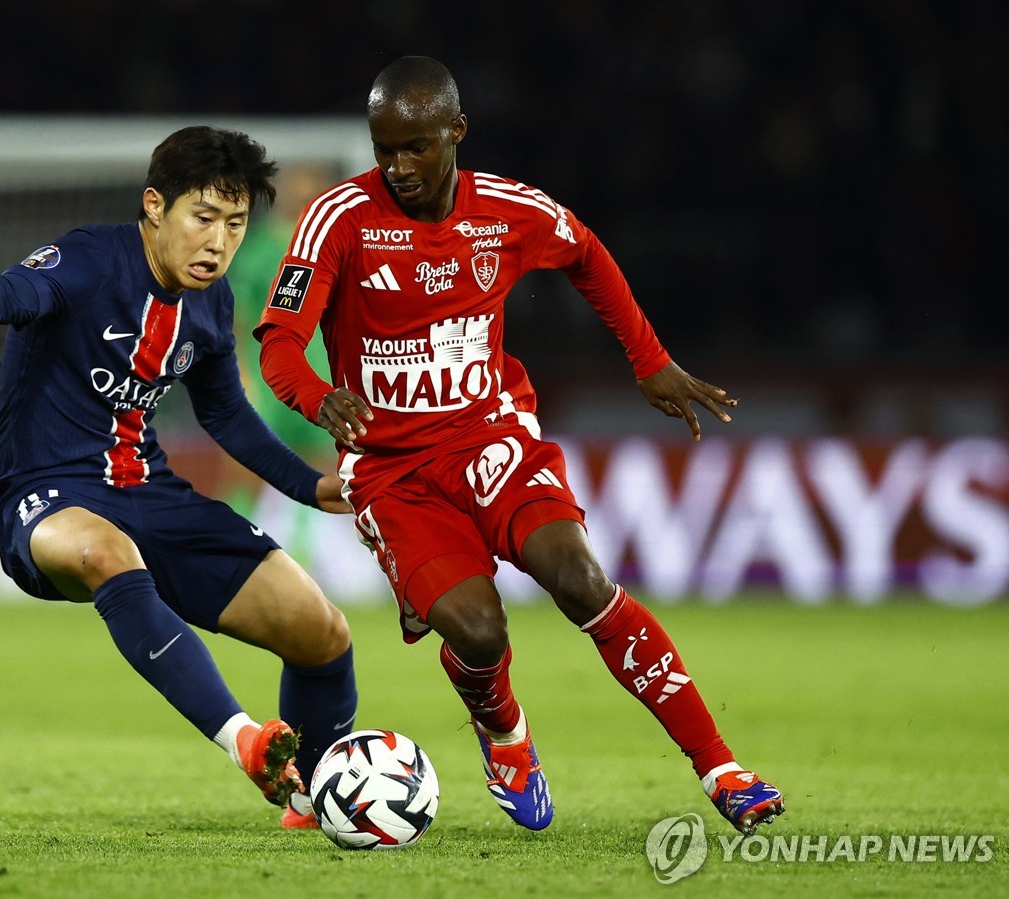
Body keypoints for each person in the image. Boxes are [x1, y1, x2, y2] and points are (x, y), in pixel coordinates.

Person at [256, 57, 784, 834]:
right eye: (384, 149)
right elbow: (278, 346)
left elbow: (587, 254)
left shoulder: (507, 211)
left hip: (490, 434)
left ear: (456, 132)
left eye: (416, 147)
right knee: (477, 629)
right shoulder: (338, 218)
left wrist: (650, 359)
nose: (398, 167)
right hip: (393, 471)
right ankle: (505, 733)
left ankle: (722, 766)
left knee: (578, 578)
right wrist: (318, 395)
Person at [0, 125, 356, 830]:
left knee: (321, 630)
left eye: (236, 223)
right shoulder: (92, 259)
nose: (218, 241)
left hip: (148, 491)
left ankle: (318, 797)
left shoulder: (211, 305)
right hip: (46, 492)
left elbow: (229, 417)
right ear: (155, 206)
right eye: (203, 217)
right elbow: (27, 290)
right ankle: (244, 737)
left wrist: (309, 486)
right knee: (104, 551)